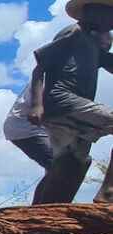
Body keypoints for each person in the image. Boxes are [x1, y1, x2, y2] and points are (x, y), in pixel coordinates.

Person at [28, 0, 113, 204]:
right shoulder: (73, 32)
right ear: (92, 13)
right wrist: (36, 105)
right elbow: (39, 68)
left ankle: (44, 215)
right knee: (69, 164)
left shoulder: (92, 43)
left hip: (75, 106)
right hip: (63, 100)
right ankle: (108, 192)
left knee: (73, 164)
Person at [4, 84, 54, 203]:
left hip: (40, 128)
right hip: (26, 127)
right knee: (59, 166)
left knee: (56, 167)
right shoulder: (53, 74)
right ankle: (39, 209)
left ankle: (44, 207)